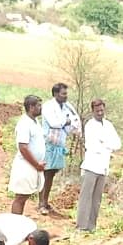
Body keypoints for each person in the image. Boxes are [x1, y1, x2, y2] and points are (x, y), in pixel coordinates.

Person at [76, 98, 121, 233]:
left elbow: (117, 144)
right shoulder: (90, 125)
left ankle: (91, 226)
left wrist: (104, 143)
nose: (100, 113)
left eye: (102, 110)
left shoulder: (108, 125)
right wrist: (107, 145)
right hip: (91, 165)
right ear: (93, 111)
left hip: (103, 167)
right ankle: (81, 226)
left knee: (96, 199)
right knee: (86, 197)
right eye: (97, 111)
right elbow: (92, 146)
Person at [38, 83, 80, 216]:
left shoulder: (67, 106)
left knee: (51, 173)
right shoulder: (48, 106)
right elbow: (55, 123)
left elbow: (75, 121)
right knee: (46, 173)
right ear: (55, 94)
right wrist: (67, 121)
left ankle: (45, 201)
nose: (65, 96)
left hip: (59, 143)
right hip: (48, 143)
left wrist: (68, 122)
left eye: (66, 93)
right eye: (63, 93)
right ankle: (41, 203)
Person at [8, 96, 46, 216]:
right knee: (20, 197)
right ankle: (15, 224)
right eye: (39, 105)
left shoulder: (35, 121)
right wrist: (36, 164)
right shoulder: (24, 123)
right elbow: (23, 147)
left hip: (34, 165)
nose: (41, 108)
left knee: (25, 195)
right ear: (31, 107)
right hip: (26, 165)